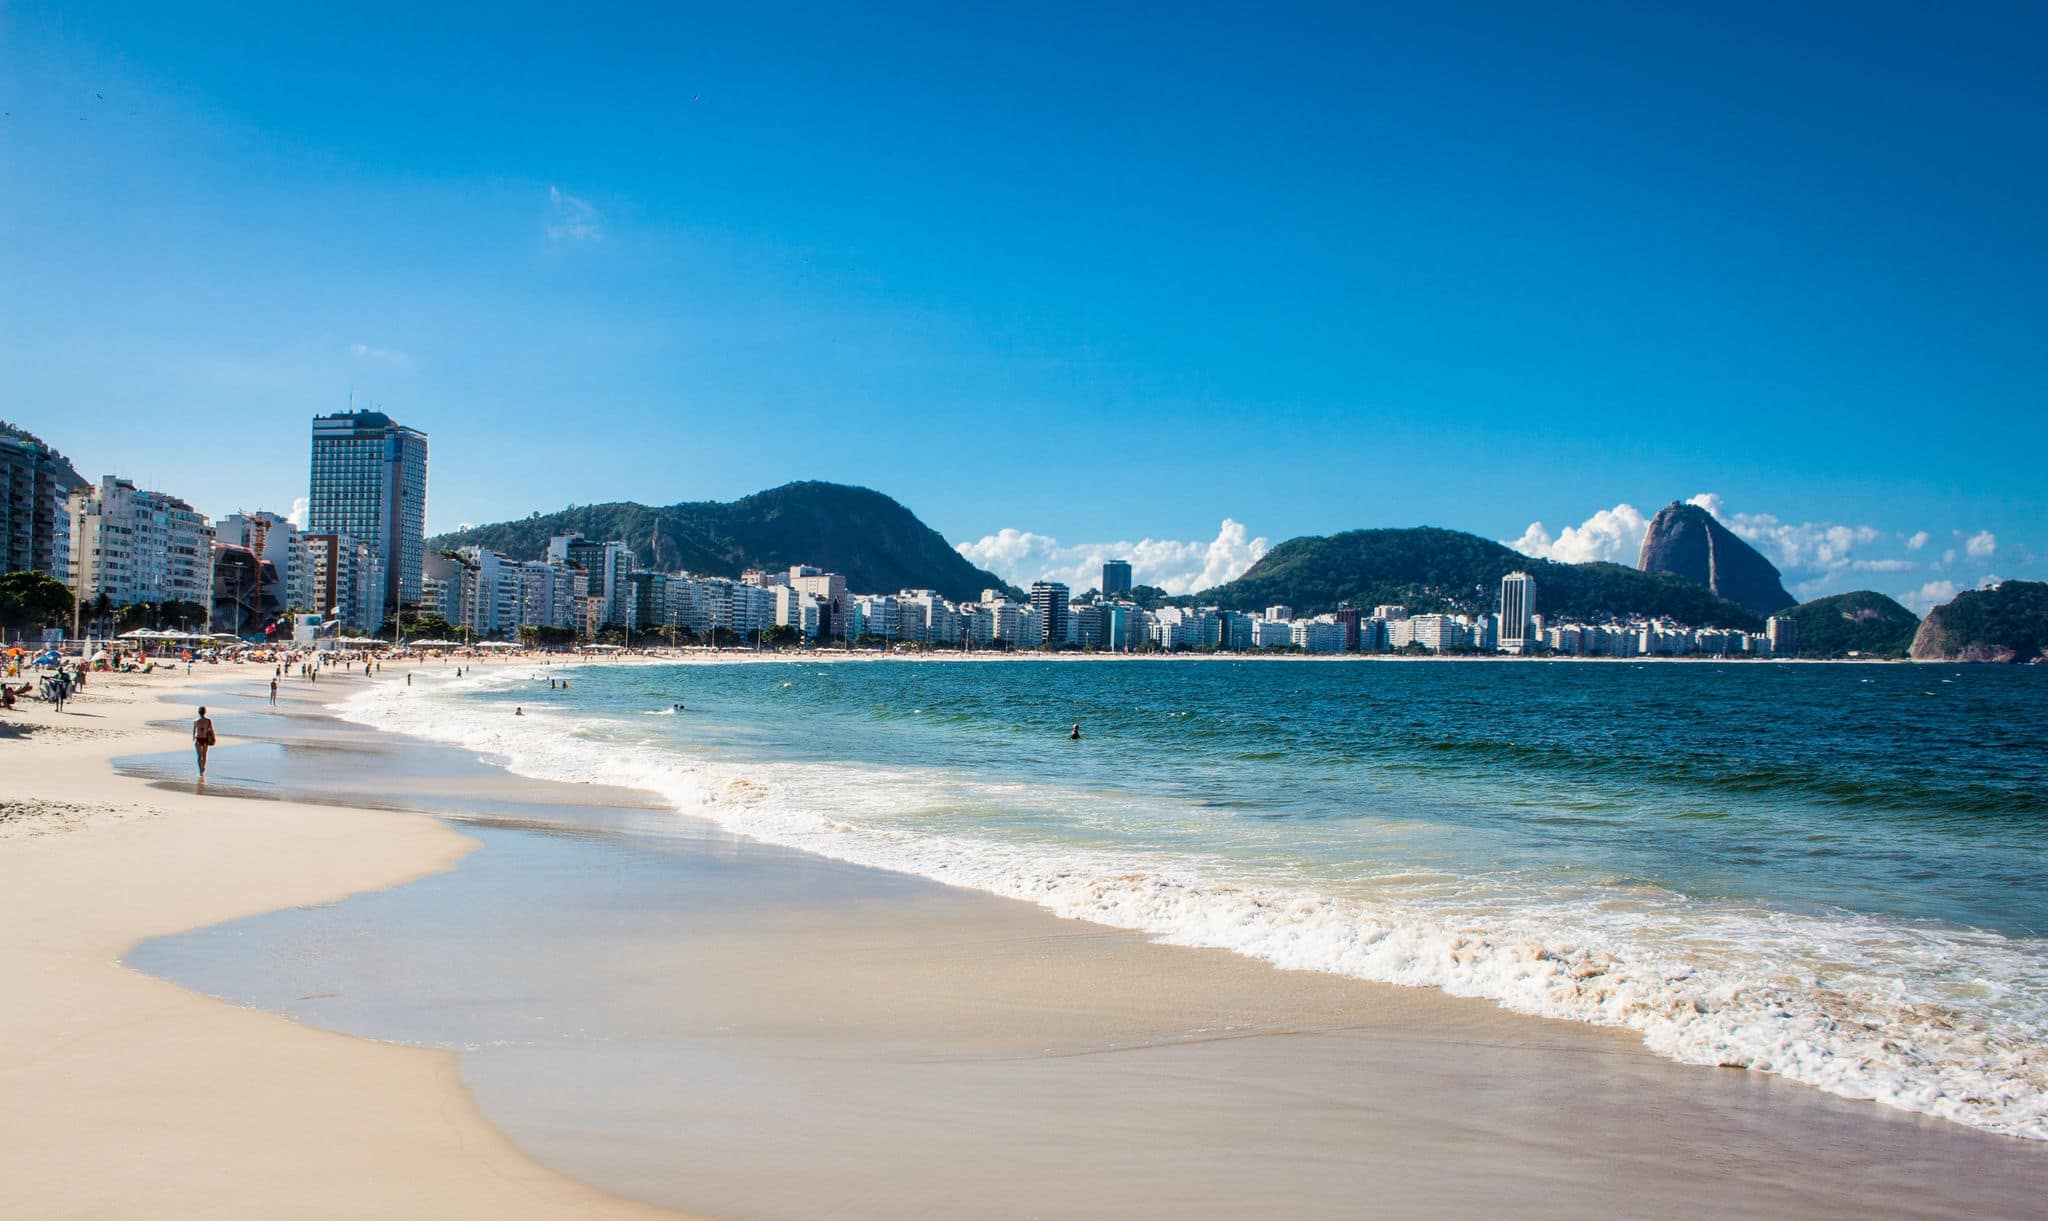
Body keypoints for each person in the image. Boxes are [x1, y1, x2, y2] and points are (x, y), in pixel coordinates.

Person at [193, 706, 216, 777]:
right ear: (205, 712)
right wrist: (213, 738)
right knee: (204, 754)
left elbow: (194, 731)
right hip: (205, 739)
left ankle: (200, 771)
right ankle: (203, 767)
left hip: (198, 739)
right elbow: (211, 730)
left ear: (198, 712)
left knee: (199, 756)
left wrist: (193, 738)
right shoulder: (208, 720)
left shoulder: (196, 721)